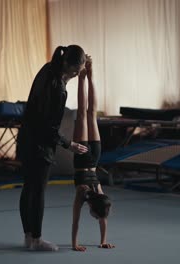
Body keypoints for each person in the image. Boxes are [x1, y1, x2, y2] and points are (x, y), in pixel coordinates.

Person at [17, 45, 89, 251]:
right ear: (67, 65)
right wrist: (69, 144)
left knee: (28, 188)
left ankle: (29, 237)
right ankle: (37, 239)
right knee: (38, 191)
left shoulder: (47, 68)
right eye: (76, 71)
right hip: (40, 144)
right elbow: (49, 127)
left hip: (26, 138)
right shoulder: (57, 87)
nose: (76, 75)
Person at [71, 55, 114, 251]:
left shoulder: (100, 194)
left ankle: (89, 75)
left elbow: (103, 217)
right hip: (82, 156)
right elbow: (76, 222)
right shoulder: (84, 195)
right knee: (82, 113)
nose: (99, 219)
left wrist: (103, 241)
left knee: (91, 113)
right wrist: (75, 244)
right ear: (93, 210)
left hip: (95, 154)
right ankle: (82, 76)